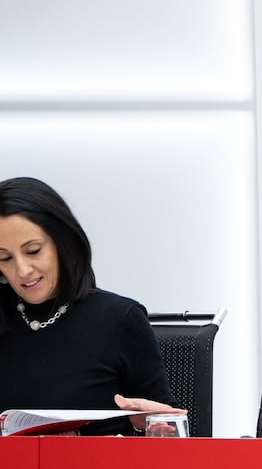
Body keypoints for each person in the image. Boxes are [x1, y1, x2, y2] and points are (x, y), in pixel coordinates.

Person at [0, 177, 178, 435]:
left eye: (34, 250)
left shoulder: (119, 319)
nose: (22, 270)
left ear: (62, 243)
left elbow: (172, 434)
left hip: (99, 461)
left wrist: (151, 422)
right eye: (5, 258)